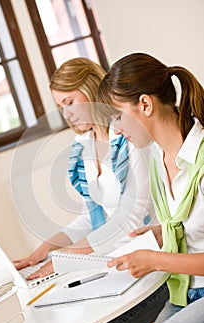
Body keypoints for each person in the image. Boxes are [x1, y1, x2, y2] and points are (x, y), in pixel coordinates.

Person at [78, 52, 204, 323]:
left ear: (145, 104)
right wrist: (162, 232)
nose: (117, 130)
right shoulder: (158, 160)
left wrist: (154, 259)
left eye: (117, 116)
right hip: (182, 291)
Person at [14, 57, 160, 284]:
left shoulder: (129, 135)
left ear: (91, 90)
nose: (67, 114)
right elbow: (91, 216)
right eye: (61, 107)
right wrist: (45, 249)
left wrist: (69, 255)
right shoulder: (83, 145)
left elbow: (130, 216)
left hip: (149, 253)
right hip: (114, 253)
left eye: (70, 102)